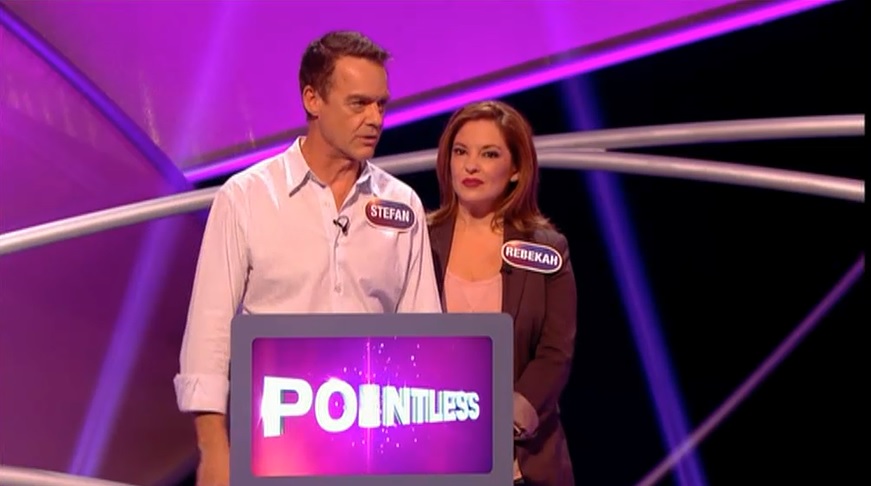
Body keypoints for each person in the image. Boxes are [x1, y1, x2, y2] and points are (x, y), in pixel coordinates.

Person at [174, 31, 442, 486]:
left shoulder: (403, 204)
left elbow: (423, 336)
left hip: (374, 447)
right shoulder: (246, 198)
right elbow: (209, 330)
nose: (375, 119)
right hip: (273, 443)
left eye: (381, 105)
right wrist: (214, 450)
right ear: (312, 99)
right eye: (359, 104)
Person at [427, 101, 577, 485]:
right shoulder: (418, 241)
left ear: (516, 170)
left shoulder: (547, 249)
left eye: (489, 154)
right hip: (434, 457)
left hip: (520, 467)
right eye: (461, 152)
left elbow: (555, 351)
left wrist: (509, 415)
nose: (471, 165)